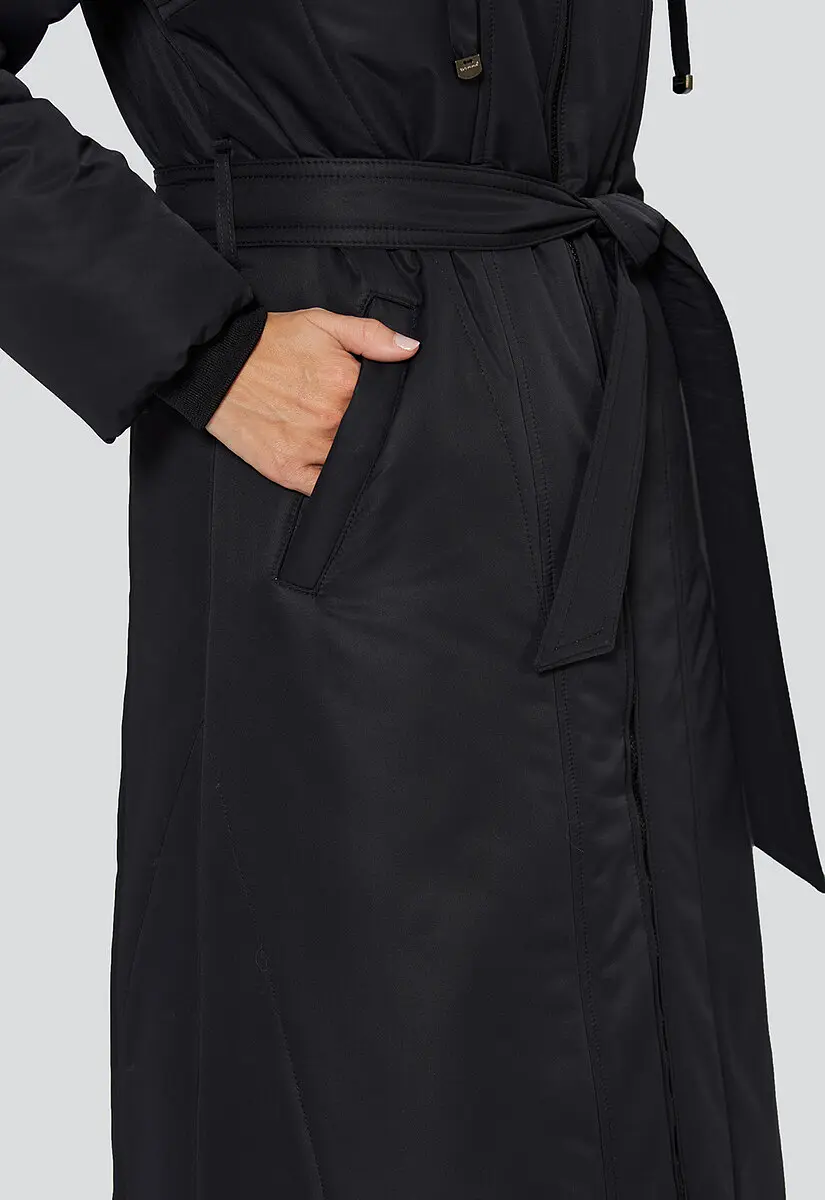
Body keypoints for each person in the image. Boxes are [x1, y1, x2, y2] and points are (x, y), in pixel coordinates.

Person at [1, 2, 821, 1196]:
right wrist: (202, 346)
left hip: (600, 393)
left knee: (654, 1062)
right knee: (391, 1082)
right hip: (358, 466)